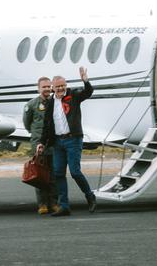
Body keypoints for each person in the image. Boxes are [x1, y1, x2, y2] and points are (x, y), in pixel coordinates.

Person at [37, 67, 96, 217]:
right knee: (58, 173)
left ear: (66, 85)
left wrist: (85, 81)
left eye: (63, 85)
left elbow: (88, 93)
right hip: (58, 142)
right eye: (58, 87)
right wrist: (42, 142)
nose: (61, 88)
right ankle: (64, 206)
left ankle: (90, 196)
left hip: (73, 139)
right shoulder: (50, 102)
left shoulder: (74, 95)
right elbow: (47, 124)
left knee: (75, 172)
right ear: (53, 88)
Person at [22, 76, 58, 215]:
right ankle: (42, 204)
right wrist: (36, 137)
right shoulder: (31, 105)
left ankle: (54, 203)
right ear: (38, 88)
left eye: (49, 87)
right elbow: (27, 123)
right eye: (44, 87)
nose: (47, 89)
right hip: (38, 144)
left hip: (53, 144)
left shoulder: (56, 103)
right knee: (39, 175)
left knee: (53, 175)